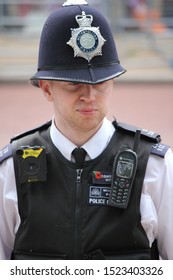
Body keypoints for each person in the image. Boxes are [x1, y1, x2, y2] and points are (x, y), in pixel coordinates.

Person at [0, 0, 173, 260]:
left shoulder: (156, 167)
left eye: (102, 82)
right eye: (73, 84)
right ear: (47, 88)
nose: (90, 96)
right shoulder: (10, 170)